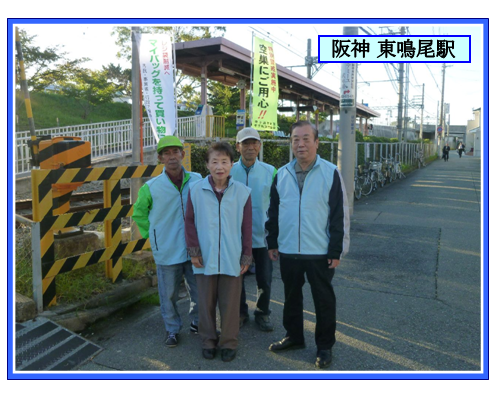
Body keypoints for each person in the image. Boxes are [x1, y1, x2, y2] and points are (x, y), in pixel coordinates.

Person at [265, 120, 350, 369]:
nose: (300, 144)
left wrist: (336, 249)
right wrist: (272, 241)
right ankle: (294, 337)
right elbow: (274, 212)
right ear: (290, 143)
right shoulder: (281, 174)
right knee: (291, 297)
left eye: (305, 138)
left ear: (316, 142)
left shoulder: (330, 172)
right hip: (289, 249)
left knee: (323, 300)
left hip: (319, 250)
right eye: (295, 139)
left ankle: (324, 347)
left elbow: (339, 214)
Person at [185, 142, 252, 362]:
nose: (219, 167)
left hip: (232, 256)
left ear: (232, 164)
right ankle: (208, 341)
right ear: (207, 165)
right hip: (204, 256)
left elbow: (247, 227)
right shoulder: (196, 190)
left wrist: (246, 255)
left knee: (230, 304)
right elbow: (189, 222)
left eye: (224, 161)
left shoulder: (242, 192)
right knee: (205, 302)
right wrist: (193, 251)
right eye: (214, 161)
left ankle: (229, 342)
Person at [132, 136, 202, 348]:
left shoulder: (198, 179)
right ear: (160, 158)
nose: (172, 157)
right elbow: (139, 214)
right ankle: (172, 329)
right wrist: (152, 236)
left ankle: (198, 322)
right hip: (166, 248)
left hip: (195, 248)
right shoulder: (151, 187)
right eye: (167, 153)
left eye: (176, 152)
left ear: (182, 154)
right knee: (168, 293)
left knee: (199, 289)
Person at [231, 127, 277, 332]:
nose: (250, 147)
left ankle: (262, 312)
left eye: (254, 143)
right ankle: (240, 312)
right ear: (237, 146)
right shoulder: (229, 170)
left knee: (264, 279)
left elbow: (279, 204)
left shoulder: (271, 171)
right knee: (236, 278)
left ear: (259, 146)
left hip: (263, 236)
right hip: (236, 236)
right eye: (245, 143)